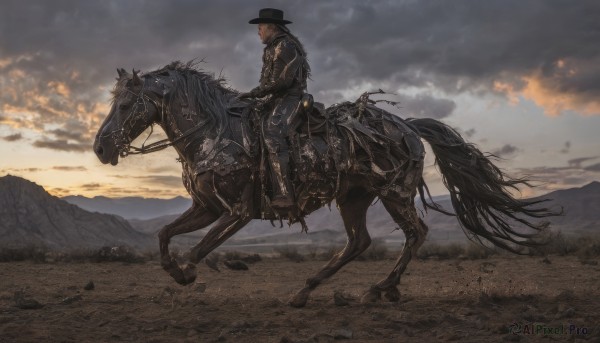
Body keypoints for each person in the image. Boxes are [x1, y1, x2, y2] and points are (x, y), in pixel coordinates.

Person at [238, 8, 310, 209]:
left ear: (271, 27)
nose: (258, 31)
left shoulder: (285, 46)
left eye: (260, 27)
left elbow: (282, 82)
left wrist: (254, 93)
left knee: (272, 132)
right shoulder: (273, 47)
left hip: (290, 98)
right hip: (275, 98)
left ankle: (285, 193)